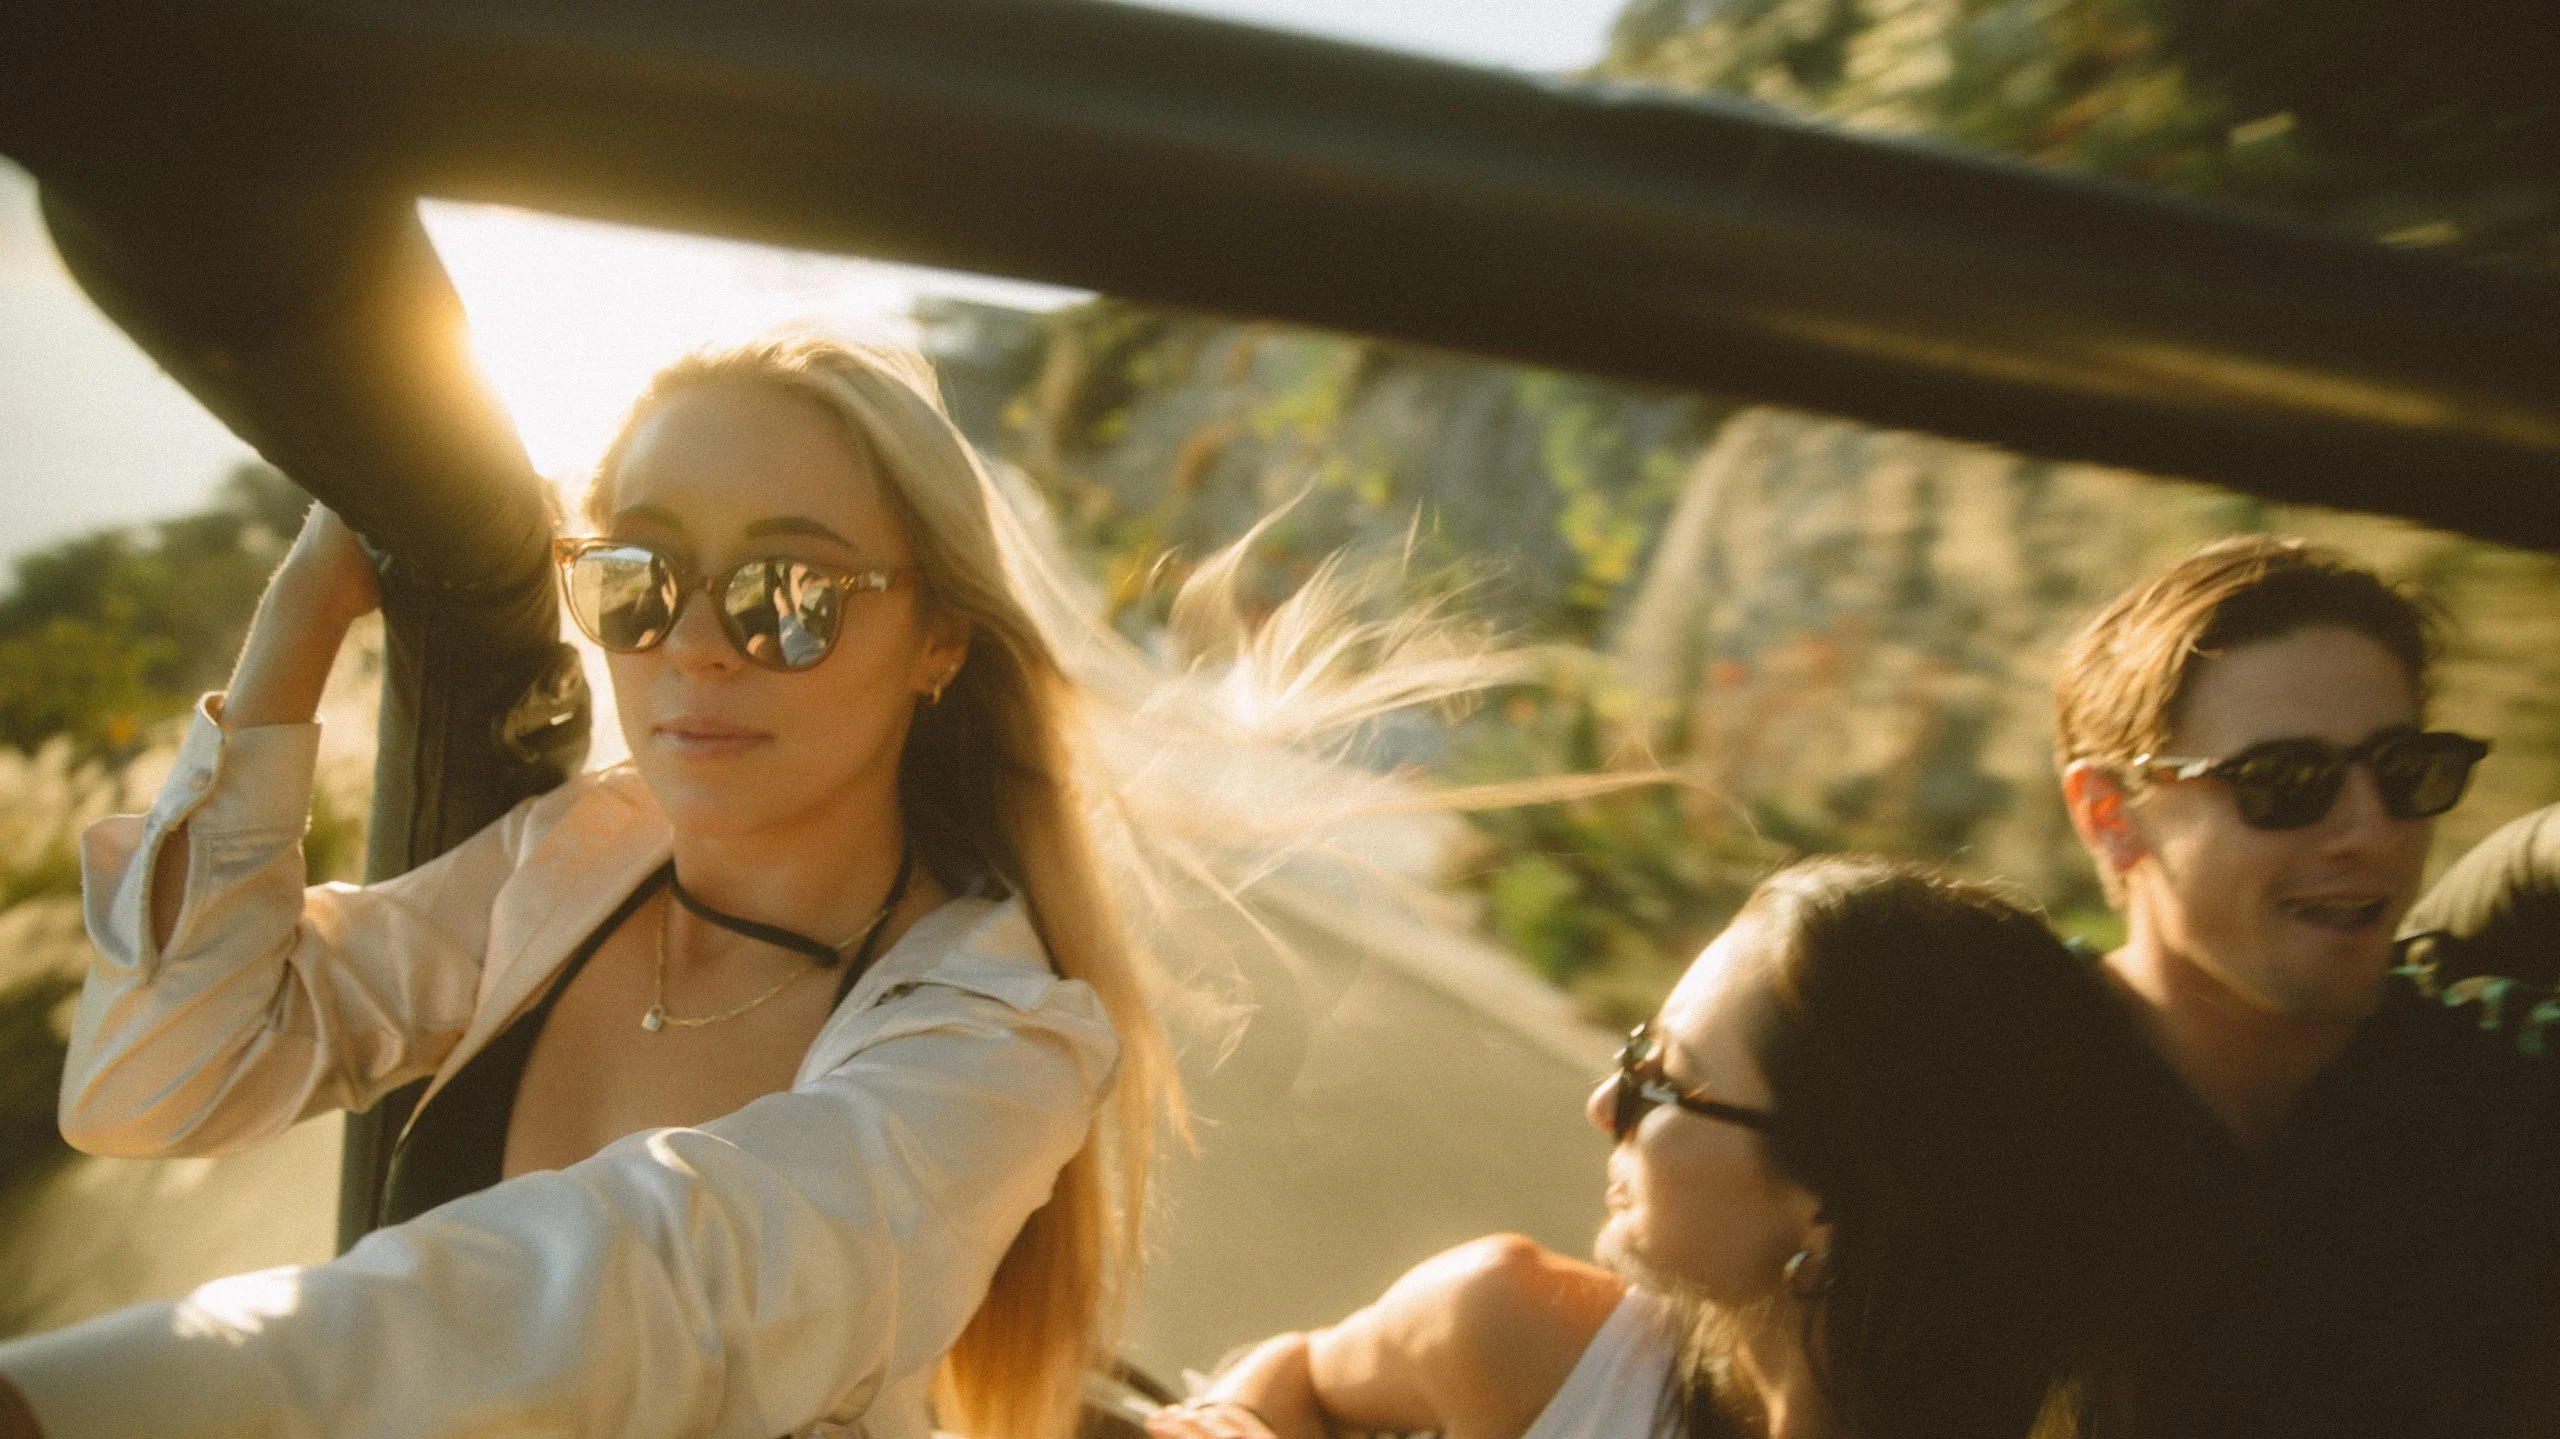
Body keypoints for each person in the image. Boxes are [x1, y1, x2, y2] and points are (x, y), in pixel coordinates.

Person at [0, 339, 1190, 1439]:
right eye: (640, 577)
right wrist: (305, 610)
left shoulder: (996, 1037)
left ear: (939, 639)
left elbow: (662, 1286)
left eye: (790, 594)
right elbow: (147, 1083)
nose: (693, 645)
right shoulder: (575, 857)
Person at [1147, 857, 2205, 1439]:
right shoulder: (1510, 1329)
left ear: (1828, 1204)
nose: (1606, 1099)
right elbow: (1295, 1377)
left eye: (1666, 1077)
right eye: (1631, 1049)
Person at [2050, 534, 2560, 1436]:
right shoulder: (1984, 1107)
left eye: (2407, 771)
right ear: (2111, 815)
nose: (2370, 830)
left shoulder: (2508, 1092)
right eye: (2285, 781)